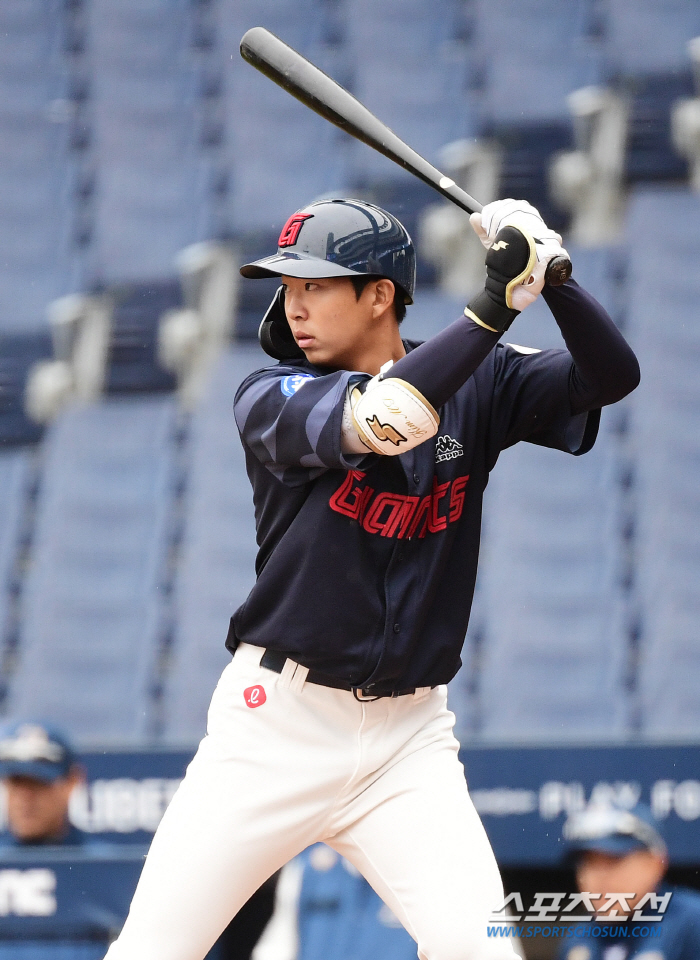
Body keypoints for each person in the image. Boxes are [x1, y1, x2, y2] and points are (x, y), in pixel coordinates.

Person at [104, 196, 640, 960]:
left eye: (316, 285)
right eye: (287, 289)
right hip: (277, 726)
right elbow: (393, 417)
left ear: (379, 293)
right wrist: (497, 300)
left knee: (482, 952)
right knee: (154, 951)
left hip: (408, 739)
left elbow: (613, 374)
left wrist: (554, 277)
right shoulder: (270, 393)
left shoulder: (480, 377)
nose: (295, 307)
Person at [559, 802, 700, 959]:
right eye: (589, 863)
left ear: (655, 863)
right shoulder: (578, 939)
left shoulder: (693, 922)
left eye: (613, 860)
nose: (600, 877)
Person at [0, 719, 86, 846]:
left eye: (38, 782)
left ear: (72, 782)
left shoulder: (105, 863)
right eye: (16, 781)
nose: (25, 797)